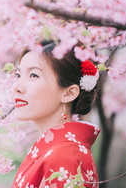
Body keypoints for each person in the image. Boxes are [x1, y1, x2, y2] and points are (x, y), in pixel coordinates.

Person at [11, 40, 100, 188]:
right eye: (18, 74)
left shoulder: (67, 156)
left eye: (34, 75)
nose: (17, 87)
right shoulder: (57, 150)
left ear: (69, 93)